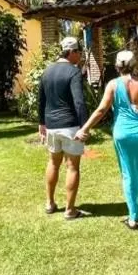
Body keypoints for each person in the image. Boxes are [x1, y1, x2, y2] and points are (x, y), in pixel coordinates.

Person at [77, 50, 138, 230]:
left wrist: (85, 128)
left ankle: (134, 217)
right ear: (135, 65)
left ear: (116, 66)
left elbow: (101, 110)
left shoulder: (113, 85)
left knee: (129, 173)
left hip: (123, 134)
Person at [38, 36, 89, 220]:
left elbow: (41, 100)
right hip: (70, 126)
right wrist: (84, 126)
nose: (80, 56)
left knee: (53, 163)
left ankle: (49, 203)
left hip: (51, 126)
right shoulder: (73, 72)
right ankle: (69, 210)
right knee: (72, 167)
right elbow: (79, 102)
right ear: (72, 52)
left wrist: (41, 123)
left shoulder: (47, 71)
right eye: (79, 52)